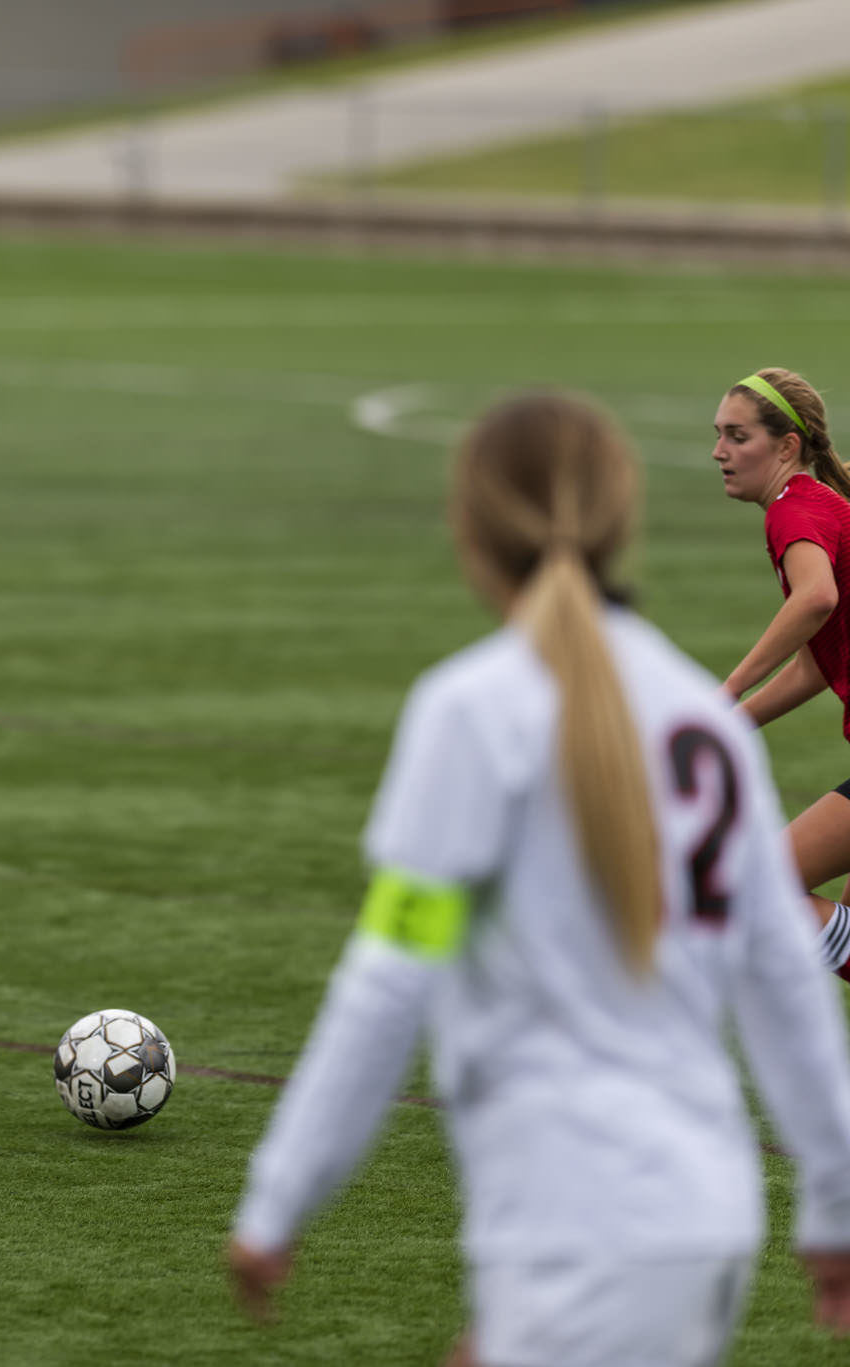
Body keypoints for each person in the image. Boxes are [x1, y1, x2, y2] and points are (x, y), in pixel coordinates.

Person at [227, 392, 850, 1366]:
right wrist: (830, 1200)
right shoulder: (699, 719)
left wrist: (277, 1200)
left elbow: (389, 976)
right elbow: (780, 979)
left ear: (468, 531)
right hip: (705, 1212)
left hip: (570, 1218)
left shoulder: (469, 712)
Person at [716, 368, 850, 980]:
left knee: (758, 892)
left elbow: (815, 598)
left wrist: (733, 683)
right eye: (719, 435)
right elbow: (817, 667)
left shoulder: (794, 508)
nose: (720, 452)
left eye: (737, 437)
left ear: (787, 446)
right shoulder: (817, 505)